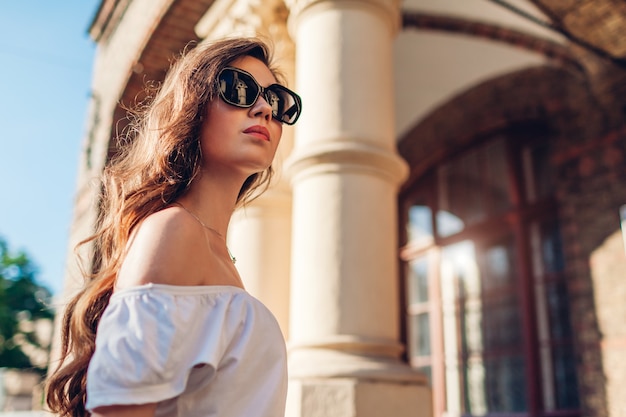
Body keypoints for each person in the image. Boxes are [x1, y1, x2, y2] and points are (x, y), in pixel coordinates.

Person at [45, 37, 302, 417]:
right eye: (239, 89)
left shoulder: (213, 249)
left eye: (278, 100)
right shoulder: (173, 232)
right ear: (191, 106)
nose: (265, 109)